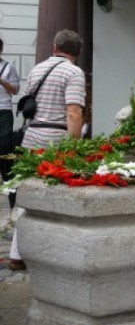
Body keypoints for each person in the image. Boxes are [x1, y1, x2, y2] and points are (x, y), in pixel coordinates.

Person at [9, 29, 86, 271]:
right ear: (78, 52)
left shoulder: (37, 69)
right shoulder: (74, 72)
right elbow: (73, 112)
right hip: (54, 138)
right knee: (56, 193)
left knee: (28, 192)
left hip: (31, 136)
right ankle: (51, 250)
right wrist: (73, 147)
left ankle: (17, 254)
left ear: (55, 47)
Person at [0, 38, 20, 211]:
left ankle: (10, 188)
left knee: (4, 148)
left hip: (4, 111)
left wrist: (2, 81)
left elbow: (15, 90)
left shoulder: (8, 67)